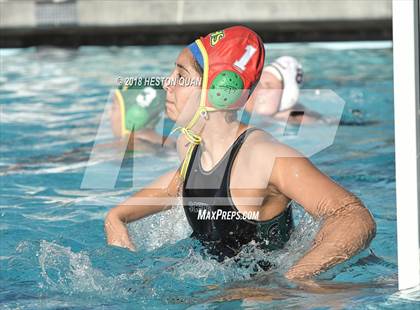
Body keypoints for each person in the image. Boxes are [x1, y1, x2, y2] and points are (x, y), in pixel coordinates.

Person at [104, 26, 376, 279]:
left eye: (181, 76)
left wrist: (293, 281)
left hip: (269, 295)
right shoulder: (190, 145)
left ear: (221, 91)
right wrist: (116, 217)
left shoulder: (264, 156)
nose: (167, 84)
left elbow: (352, 215)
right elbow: (176, 186)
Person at [244, 56, 324, 124]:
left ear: (286, 96)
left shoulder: (304, 121)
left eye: (269, 86)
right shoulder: (245, 107)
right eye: (258, 84)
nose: (258, 90)